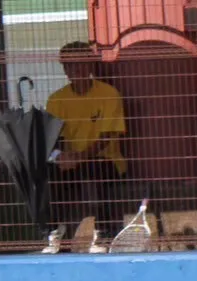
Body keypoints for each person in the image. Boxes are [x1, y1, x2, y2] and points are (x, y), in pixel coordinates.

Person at [44, 42, 127, 253]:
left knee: (97, 174)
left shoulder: (109, 94)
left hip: (104, 159)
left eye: (81, 64)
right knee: (43, 176)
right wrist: (60, 157)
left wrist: (80, 157)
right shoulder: (56, 100)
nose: (76, 70)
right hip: (72, 160)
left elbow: (108, 136)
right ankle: (54, 232)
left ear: (90, 65)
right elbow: (55, 138)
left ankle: (102, 235)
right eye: (70, 66)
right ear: (64, 69)